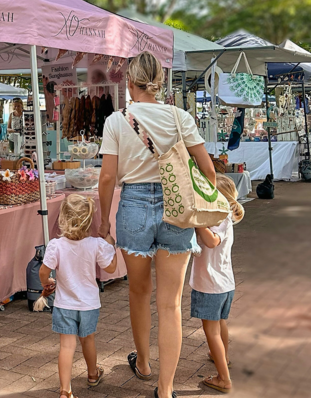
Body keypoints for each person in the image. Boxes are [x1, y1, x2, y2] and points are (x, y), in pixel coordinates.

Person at [98, 51, 216, 398]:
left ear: (130, 83)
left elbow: (107, 178)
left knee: (138, 292)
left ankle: (145, 363)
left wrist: (104, 222)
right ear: (160, 84)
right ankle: (165, 389)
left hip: (133, 205)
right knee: (170, 304)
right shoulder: (180, 117)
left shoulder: (117, 121)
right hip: (176, 208)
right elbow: (208, 171)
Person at [38, 194, 118, 397]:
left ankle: (65, 390)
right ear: (89, 220)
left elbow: (43, 272)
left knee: (66, 346)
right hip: (89, 304)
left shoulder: (56, 245)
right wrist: (111, 246)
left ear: (62, 219)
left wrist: (47, 284)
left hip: (64, 304)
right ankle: (92, 374)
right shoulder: (96, 244)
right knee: (88, 340)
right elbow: (111, 268)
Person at [190, 174, 245, 394]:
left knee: (211, 331)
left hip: (210, 286)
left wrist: (195, 220)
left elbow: (211, 242)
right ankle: (222, 356)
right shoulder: (223, 218)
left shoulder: (221, 219)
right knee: (221, 323)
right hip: (224, 285)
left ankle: (223, 378)